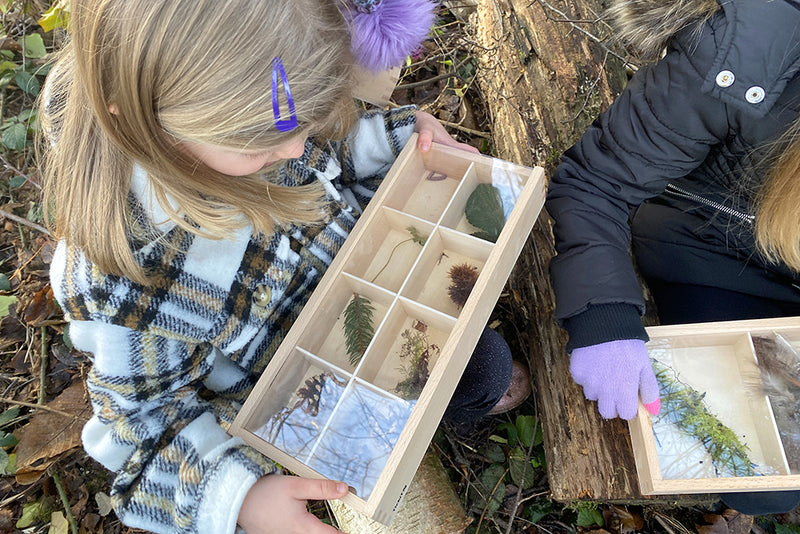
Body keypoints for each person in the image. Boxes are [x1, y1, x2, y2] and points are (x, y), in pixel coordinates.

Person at [38, 1, 524, 532]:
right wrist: (241, 498)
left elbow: (334, 149)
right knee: (483, 375)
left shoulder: (270, 92)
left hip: (368, 267)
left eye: (304, 124)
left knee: (483, 365)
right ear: (150, 122)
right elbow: (137, 426)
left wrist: (401, 138)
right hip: (303, 375)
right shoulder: (124, 275)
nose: (296, 149)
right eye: (263, 146)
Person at [546, 0, 800, 516]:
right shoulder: (740, 60)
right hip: (716, 250)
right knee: (767, 477)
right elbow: (598, 181)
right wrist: (603, 317)